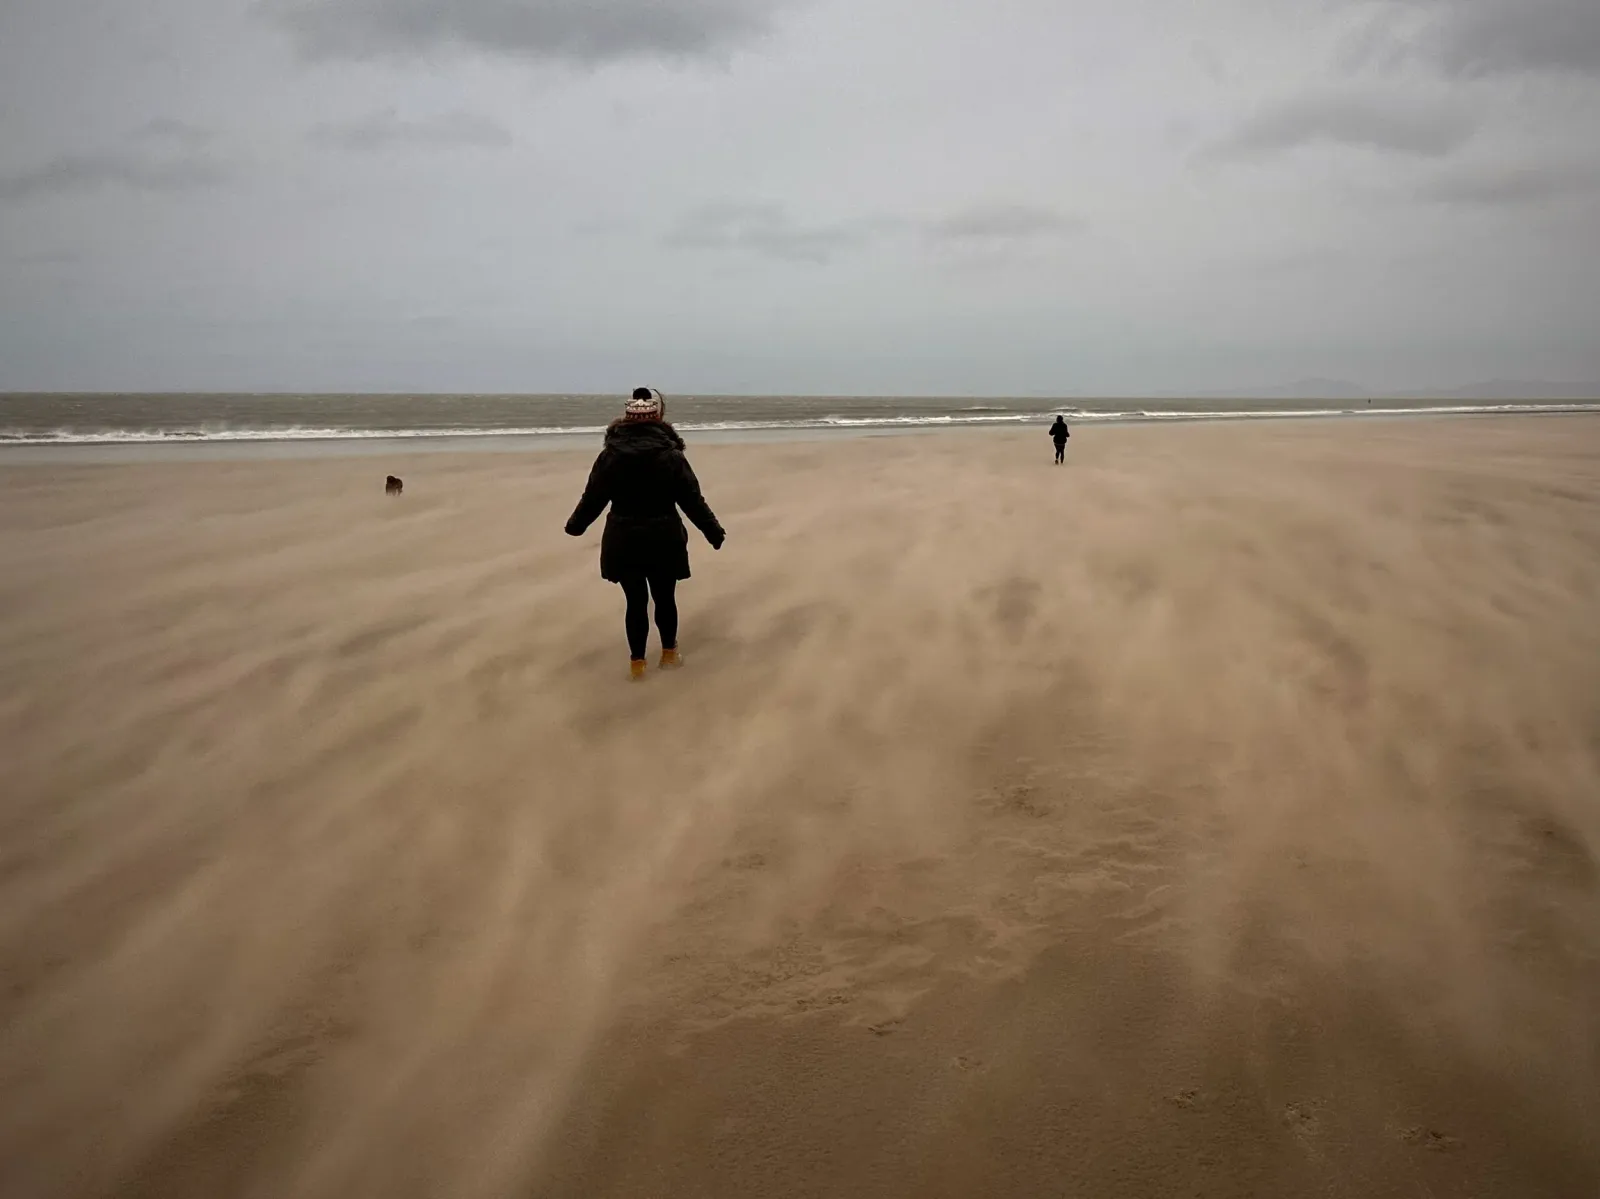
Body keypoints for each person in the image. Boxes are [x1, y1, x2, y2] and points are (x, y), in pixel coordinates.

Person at [565, 388, 725, 679]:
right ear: (658, 420)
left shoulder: (610, 456)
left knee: (635, 602)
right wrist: (713, 531)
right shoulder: (672, 456)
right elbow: (692, 500)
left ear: (625, 420)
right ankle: (669, 655)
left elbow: (593, 499)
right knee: (665, 598)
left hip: (623, 538)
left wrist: (576, 525)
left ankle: (637, 665)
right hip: (664, 537)